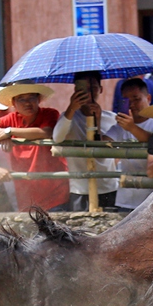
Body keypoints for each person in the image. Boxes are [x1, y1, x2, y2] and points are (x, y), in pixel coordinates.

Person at [0, 83, 69, 211]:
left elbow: (46, 132)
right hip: (26, 195)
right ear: (14, 103)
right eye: (21, 99)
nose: (27, 103)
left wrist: (9, 132)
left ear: (38, 99)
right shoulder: (11, 119)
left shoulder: (49, 113)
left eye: (31, 98)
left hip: (55, 193)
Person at [53, 71, 127, 210]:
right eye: (84, 89)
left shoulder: (111, 118)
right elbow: (57, 138)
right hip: (80, 189)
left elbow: (112, 152)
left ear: (101, 89)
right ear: (76, 91)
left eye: (93, 88)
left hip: (108, 186)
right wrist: (71, 107)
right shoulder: (69, 117)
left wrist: (97, 120)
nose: (89, 93)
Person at [112, 77, 153, 210]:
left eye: (136, 99)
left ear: (148, 98)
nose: (131, 104)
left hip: (152, 198)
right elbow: (104, 141)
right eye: (126, 100)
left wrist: (132, 128)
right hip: (125, 198)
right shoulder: (121, 125)